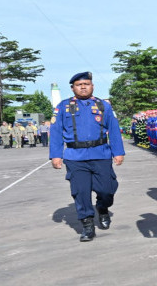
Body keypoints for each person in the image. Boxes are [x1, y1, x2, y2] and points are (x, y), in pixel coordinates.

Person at [50, 71, 125, 242]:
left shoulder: (103, 106)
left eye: (86, 84)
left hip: (101, 154)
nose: (83, 87)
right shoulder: (63, 107)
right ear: (72, 88)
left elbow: (113, 128)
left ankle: (103, 208)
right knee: (81, 192)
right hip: (75, 157)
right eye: (79, 84)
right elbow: (55, 132)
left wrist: (118, 152)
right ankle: (87, 224)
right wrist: (56, 155)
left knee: (107, 190)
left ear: (92, 86)